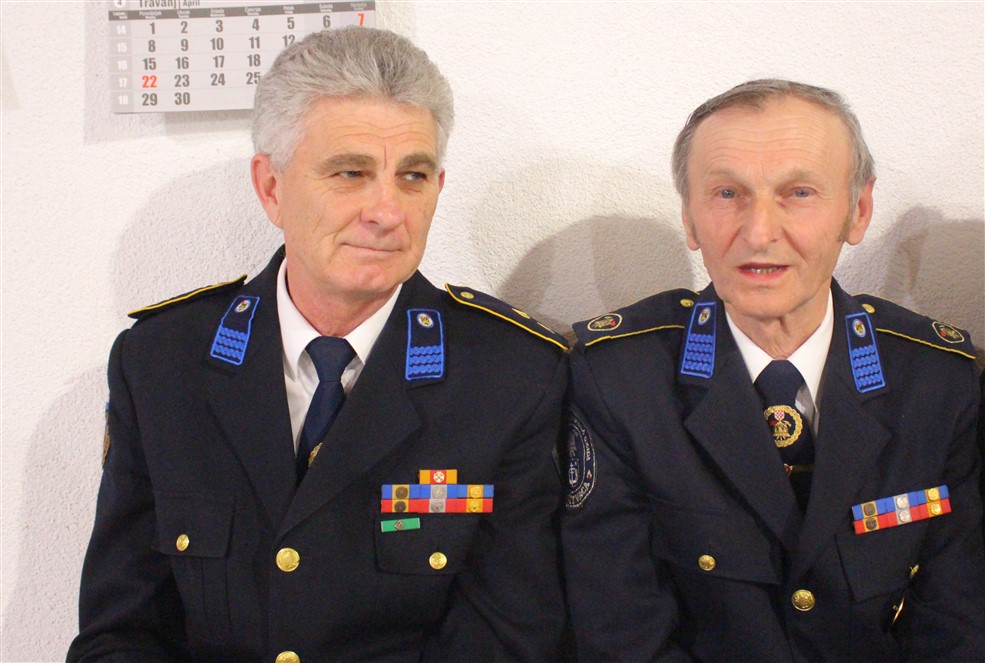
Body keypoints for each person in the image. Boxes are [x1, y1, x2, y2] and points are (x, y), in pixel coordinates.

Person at [69, 27, 568, 662]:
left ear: (438, 188)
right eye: (350, 173)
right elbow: (121, 630)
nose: (388, 211)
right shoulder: (163, 363)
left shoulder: (510, 376)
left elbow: (508, 639)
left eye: (412, 176)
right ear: (271, 188)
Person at [561, 79, 985, 661]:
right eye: (727, 193)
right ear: (690, 219)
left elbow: (956, 624)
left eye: (799, 192)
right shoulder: (619, 381)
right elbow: (622, 633)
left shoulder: (937, 381)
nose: (759, 232)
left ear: (858, 211)